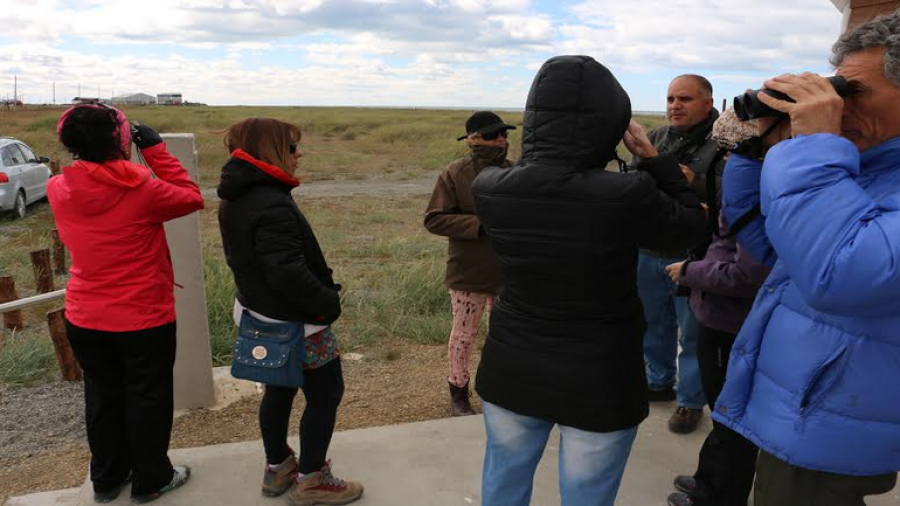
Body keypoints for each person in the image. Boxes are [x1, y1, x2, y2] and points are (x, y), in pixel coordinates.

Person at [472, 55, 708, 506]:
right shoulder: (625, 194)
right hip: (601, 374)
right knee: (587, 494)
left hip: (513, 362)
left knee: (503, 481)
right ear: (610, 122)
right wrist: (654, 160)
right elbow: (693, 228)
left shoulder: (489, 185)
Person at [714, 11, 900, 505]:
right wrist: (757, 151)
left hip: (839, 423)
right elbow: (770, 246)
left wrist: (815, 147)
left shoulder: (838, 167)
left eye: (853, 91)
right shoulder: (861, 170)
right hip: (807, 407)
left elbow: (838, 275)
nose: (837, 104)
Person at [50, 103, 203, 503]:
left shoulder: (58, 188)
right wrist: (155, 150)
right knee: (148, 396)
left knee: (102, 396)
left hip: (84, 315)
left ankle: (106, 479)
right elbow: (191, 197)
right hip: (143, 317)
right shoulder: (143, 191)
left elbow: (98, 179)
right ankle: (151, 479)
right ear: (120, 140)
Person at [217, 118, 363, 505]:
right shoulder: (270, 201)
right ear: (272, 150)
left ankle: (278, 467)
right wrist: (327, 304)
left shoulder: (237, 193)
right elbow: (287, 272)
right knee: (326, 393)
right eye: (293, 148)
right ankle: (312, 480)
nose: (299, 155)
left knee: (278, 390)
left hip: (259, 312)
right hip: (297, 322)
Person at [663, 110, 773, 506]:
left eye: (732, 152)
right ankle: (707, 479)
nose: (727, 160)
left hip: (730, 321)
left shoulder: (755, 192)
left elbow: (748, 272)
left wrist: (690, 271)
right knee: (723, 408)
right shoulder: (760, 187)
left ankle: (719, 496)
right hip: (721, 315)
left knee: (730, 413)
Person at [632, 74, 721, 434]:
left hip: (696, 252)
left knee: (694, 332)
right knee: (654, 323)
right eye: (670, 99)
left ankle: (690, 401)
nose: (675, 106)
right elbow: (637, 184)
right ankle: (658, 382)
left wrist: (692, 182)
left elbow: (736, 194)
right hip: (649, 246)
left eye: (684, 99)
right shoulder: (655, 138)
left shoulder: (725, 143)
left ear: (708, 103)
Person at [424, 110, 515, 416]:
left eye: (504, 134)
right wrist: (479, 225)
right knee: (464, 336)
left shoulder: (516, 171)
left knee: (503, 336)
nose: (500, 140)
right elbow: (434, 219)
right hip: (468, 270)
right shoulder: (455, 172)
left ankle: (498, 389)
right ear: (472, 139)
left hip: (508, 270)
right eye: (492, 135)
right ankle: (459, 392)